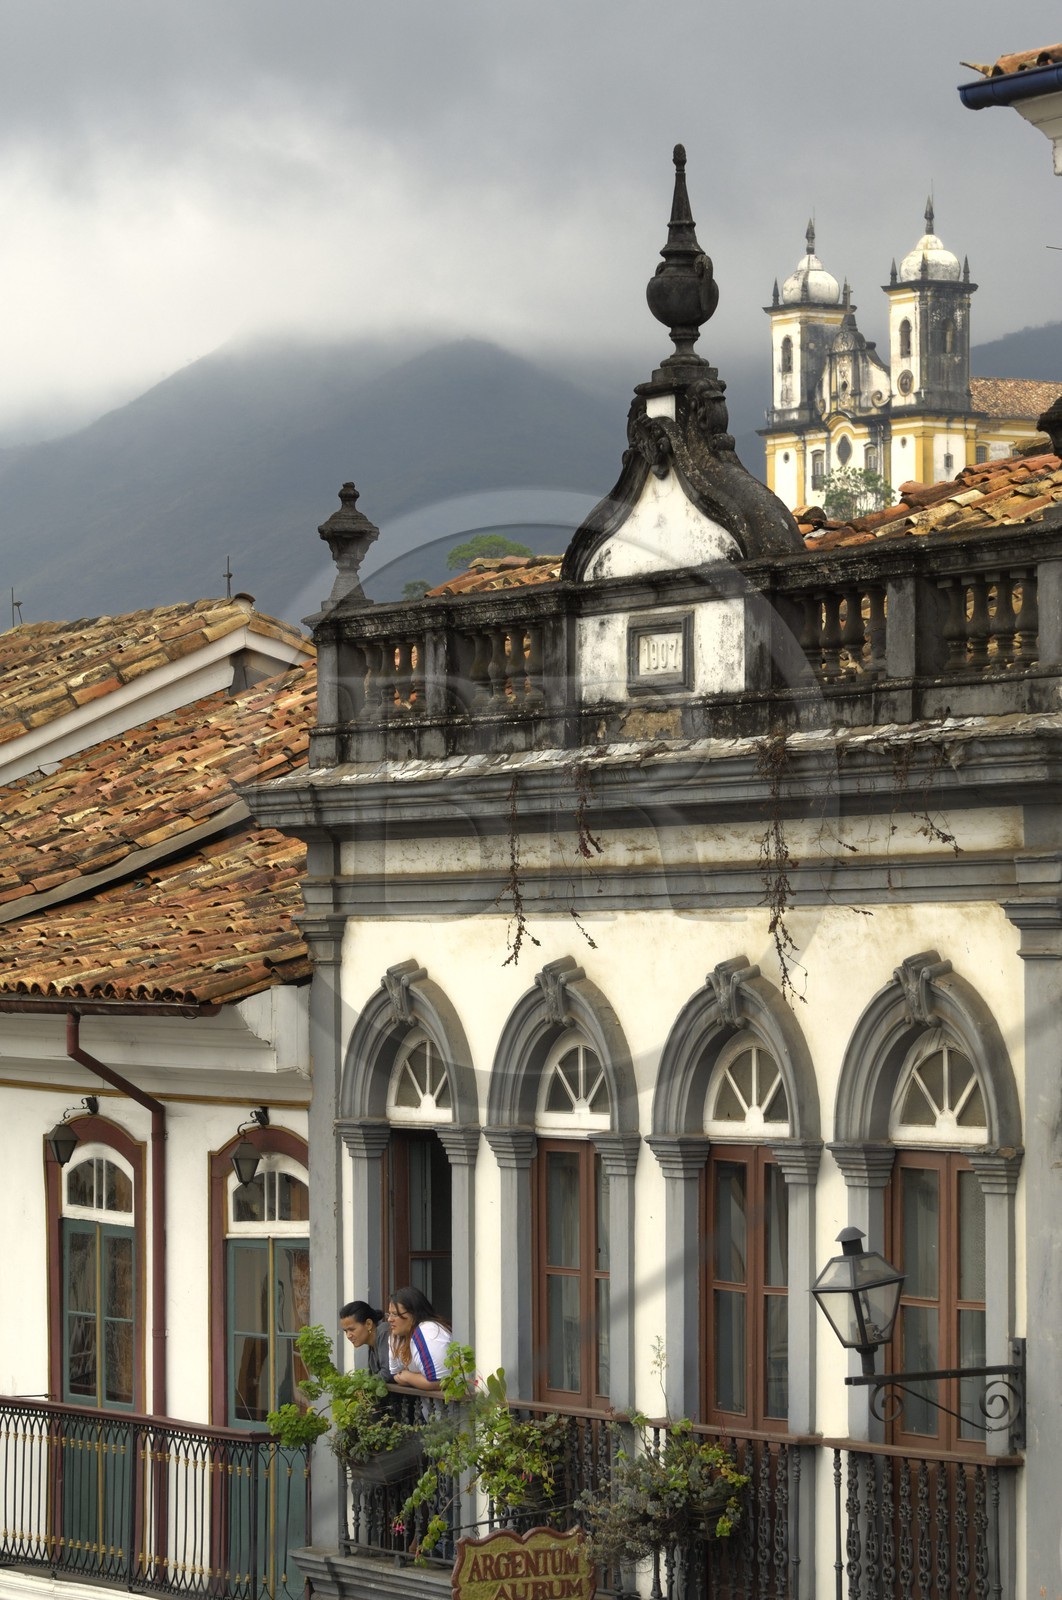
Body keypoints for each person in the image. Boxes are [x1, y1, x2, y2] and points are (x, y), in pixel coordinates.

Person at [387, 1286, 452, 1390]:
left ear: (413, 1314)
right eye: (389, 1314)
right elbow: (396, 1374)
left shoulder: (428, 1332)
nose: (390, 1319)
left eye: (395, 1314)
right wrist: (417, 1379)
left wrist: (408, 1377)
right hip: (423, 1404)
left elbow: (441, 1381)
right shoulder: (396, 1335)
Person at [339, 1299, 392, 1377]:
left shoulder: (384, 1332)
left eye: (352, 1329)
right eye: (345, 1331)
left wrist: (361, 1383)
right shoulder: (372, 1346)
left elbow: (387, 1373)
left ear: (368, 1324)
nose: (348, 1335)